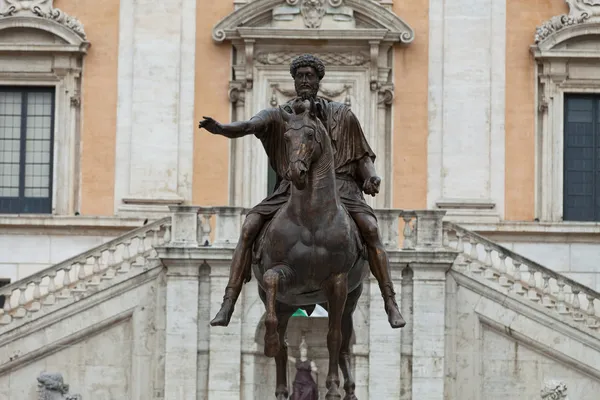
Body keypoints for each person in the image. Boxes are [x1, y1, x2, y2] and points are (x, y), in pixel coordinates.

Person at [199, 54, 405, 329]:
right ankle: (229, 301)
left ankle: (389, 300)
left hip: (341, 189)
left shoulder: (343, 115)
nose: (305, 80)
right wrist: (222, 129)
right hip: (290, 189)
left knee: (370, 229)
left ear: (319, 80)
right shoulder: (280, 115)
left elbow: (362, 156)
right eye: (300, 76)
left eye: (310, 75)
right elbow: (250, 126)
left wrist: (371, 177)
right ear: (294, 80)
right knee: (249, 227)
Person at [288, 336, 319, 400]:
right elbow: (287, 356)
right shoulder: (297, 360)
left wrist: (315, 370)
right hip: (298, 382)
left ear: (306, 352)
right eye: (302, 351)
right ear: (300, 351)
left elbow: (315, 368)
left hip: (308, 382)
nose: (304, 352)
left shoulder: (310, 361)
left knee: (310, 390)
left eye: (305, 351)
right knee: (296, 397)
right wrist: (286, 347)